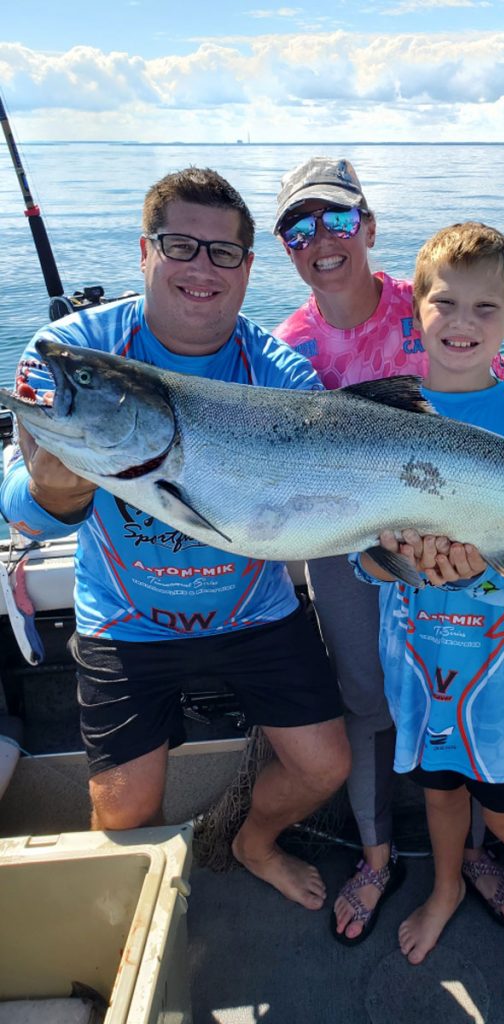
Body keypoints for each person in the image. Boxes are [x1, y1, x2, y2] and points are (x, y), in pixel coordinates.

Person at [0, 167, 352, 912]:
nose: (202, 267)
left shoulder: (281, 376)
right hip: (126, 617)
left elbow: (330, 503)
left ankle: (254, 842)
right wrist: (54, 492)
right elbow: (23, 517)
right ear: (144, 251)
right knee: (124, 812)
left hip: (254, 610)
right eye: (180, 245)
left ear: (248, 268)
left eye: (223, 252)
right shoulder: (70, 356)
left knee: (325, 768)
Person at [272, 157, 504, 944]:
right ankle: (378, 855)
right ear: (285, 246)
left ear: (370, 228)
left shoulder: (430, 304)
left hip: (453, 542)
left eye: (339, 219)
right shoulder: (287, 349)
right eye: (299, 227)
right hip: (344, 545)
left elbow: (496, 405)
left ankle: (475, 852)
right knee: (366, 700)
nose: (323, 239)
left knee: (461, 690)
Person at [351, 222, 504, 1006]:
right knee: (440, 794)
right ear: (415, 310)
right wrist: (395, 560)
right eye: (445, 302)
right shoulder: (380, 418)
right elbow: (356, 554)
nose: (463, 321)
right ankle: (446, 886)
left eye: (486, 308)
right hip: (417, 665)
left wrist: (488, 564)